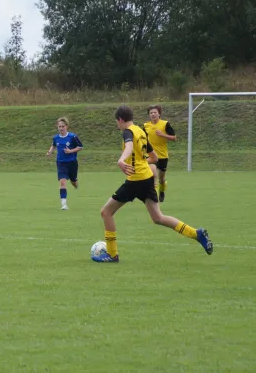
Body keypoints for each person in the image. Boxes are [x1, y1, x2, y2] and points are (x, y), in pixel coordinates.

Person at [92, 105, 213, 263]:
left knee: (106, 212)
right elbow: (154, 158)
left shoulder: (128, 132)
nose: (117, 125)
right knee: (158, 217)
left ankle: (112, 254)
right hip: (147, 178)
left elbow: (128, 146)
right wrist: (138, 162)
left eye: (117, 122)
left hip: (135, 181)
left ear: (121, 120)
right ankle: (196, 233)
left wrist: (122, 160)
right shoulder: (141, 131)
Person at [46, 117, 84, 210]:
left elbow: (80, 147)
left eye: (63, 126)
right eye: (59, 126)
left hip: (72, 163)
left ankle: (75, 183)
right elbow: (53, 145)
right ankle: (64, 204)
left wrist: (70, 151)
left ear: (66, 127)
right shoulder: (56, 137)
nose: (61, 128)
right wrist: (50, 151)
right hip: (61, 163)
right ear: (57, 127)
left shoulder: (72, 137)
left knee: (73, 181)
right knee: (62, 182)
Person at [142, 105, 177, 202]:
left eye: (155, 112)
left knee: (161, 178)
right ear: (149, 115)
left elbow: (174, 138)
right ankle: (153, 196)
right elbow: (142, 139)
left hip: (162, 156)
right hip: (151, 155)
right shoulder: (146, 126)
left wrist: (162, 135)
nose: (153, 114)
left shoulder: (165, 124)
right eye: (151, 113)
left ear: (159, 114)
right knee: (153, 175)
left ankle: (161, 191)